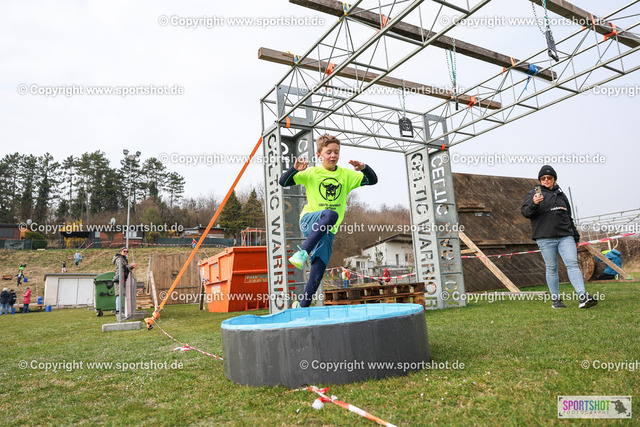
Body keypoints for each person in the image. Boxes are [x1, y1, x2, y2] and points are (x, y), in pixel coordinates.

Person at [279, 134, 378, 308]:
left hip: (328, 231)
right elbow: (283, 182)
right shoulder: (312, 173)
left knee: (319, 270)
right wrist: (294, 169)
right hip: (309, 221)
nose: (333, 156)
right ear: (319, 155)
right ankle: (303, 252)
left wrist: (364, 168)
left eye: (336, 152)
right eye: (329, 152)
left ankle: (302, 306)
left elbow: (372, 180)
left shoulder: (346, 175)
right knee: (331, 215)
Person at [521, 165, 597, 309]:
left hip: (565, 236)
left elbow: (569, 217)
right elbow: (525, 213)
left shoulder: (562, 196)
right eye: (543, 178)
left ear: (554, 179)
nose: (546, 180)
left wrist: (575, 237)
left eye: (549, 177)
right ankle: (556, 301)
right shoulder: (532, 194)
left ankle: (583, 296)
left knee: (572, 264)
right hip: (545, 237)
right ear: (540, 180)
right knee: (552, 268)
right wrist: (534, 203)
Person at [112, 247, 138, 312]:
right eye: (124, 251)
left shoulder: (124, 259)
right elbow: (121, 267)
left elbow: (126, 268)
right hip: (119, 278)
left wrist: (131, 267)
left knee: (122, 294)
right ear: (121, 252)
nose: (125, 252)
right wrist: (130, 265)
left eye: (127, 251)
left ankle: (123, 309)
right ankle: (118, 310)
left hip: (124, 278)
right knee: (119, 294)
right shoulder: (119, 259)